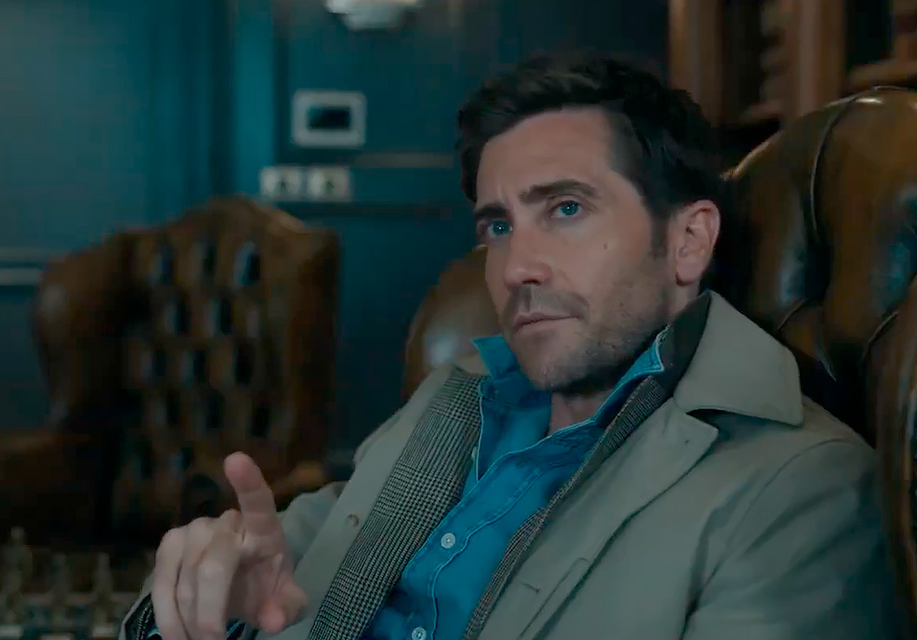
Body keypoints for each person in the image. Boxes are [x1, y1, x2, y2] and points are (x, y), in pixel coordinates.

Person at [119, 53, 900, 640]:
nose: (517, 266)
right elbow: (282, 555)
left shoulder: (805, 490)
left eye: (565, 208)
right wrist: (202, 597)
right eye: (498, 225)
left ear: (689, 240)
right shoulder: (459, 395)